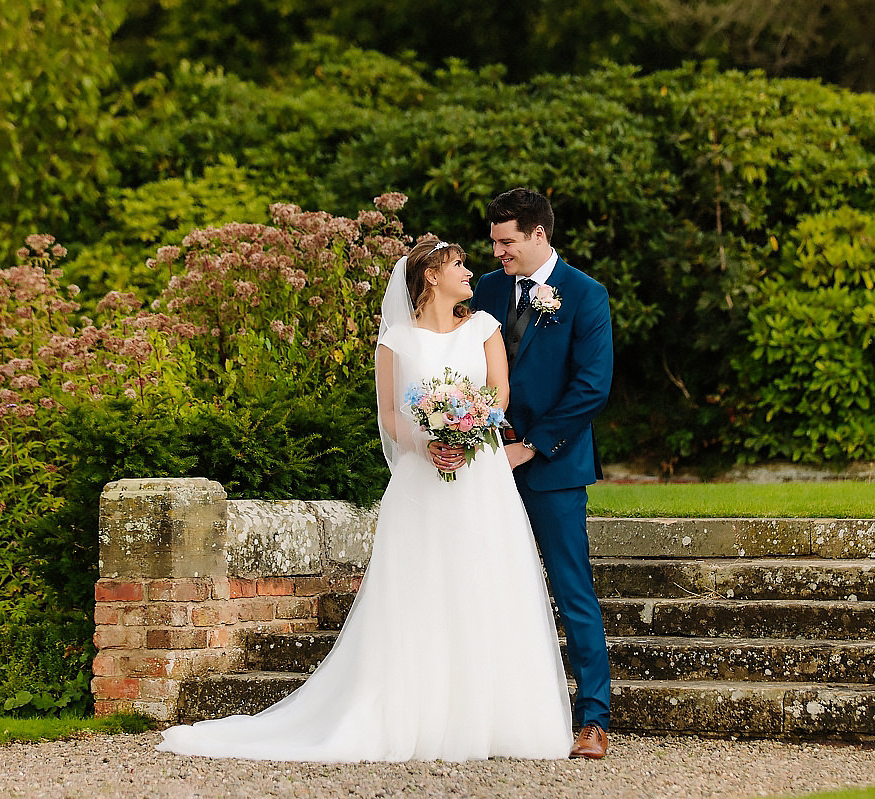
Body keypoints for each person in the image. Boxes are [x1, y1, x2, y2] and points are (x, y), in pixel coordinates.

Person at [156, 239, 573, 762]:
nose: (471, 272)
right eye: (459, 265)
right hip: (423, 481)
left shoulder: (485, 328)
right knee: (419, 591)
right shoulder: (395, 343)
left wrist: (465, 434)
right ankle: (413, 715)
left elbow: (499, 396)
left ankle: (496, 720)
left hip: (481, 478)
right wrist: (431, 441)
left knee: (485, 579)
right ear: (429, 277)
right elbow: (392, 417)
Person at [469, 187, 614, 759]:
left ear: (538, 235)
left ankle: (594, 720)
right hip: (484, 464)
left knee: (572, 589)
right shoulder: (483, 289)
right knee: (482, 586)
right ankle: (487, 714)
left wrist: (531, 446)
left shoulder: (585, 295)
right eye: (494, 242)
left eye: (507, 242)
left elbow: (591, 387)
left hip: (552, 466)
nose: (499, 252)